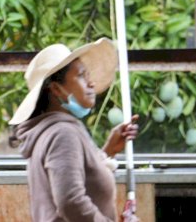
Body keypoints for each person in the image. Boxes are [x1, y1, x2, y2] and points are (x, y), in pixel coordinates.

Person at [10, 38, 140, 222]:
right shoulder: (63, 133)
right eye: (80, 76)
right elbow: (71, 202)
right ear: (56, 89)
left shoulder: (50, 131)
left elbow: (79, 181)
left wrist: (108, 151)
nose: (91, 84)